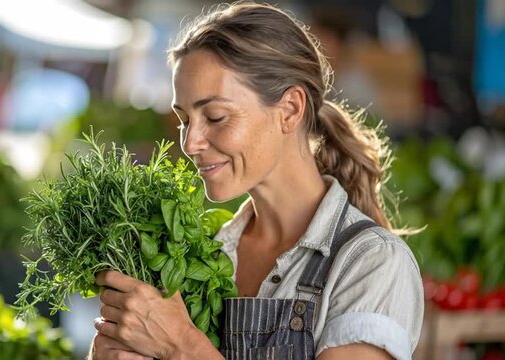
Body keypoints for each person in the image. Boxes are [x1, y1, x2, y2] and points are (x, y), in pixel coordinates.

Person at [91, 2, 423, 359]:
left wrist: (180, 344)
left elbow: (180, 344)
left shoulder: (371, 263)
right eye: (185, 119)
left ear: (291, 109)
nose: (189, 143)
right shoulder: (207, 256)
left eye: (215, 117)